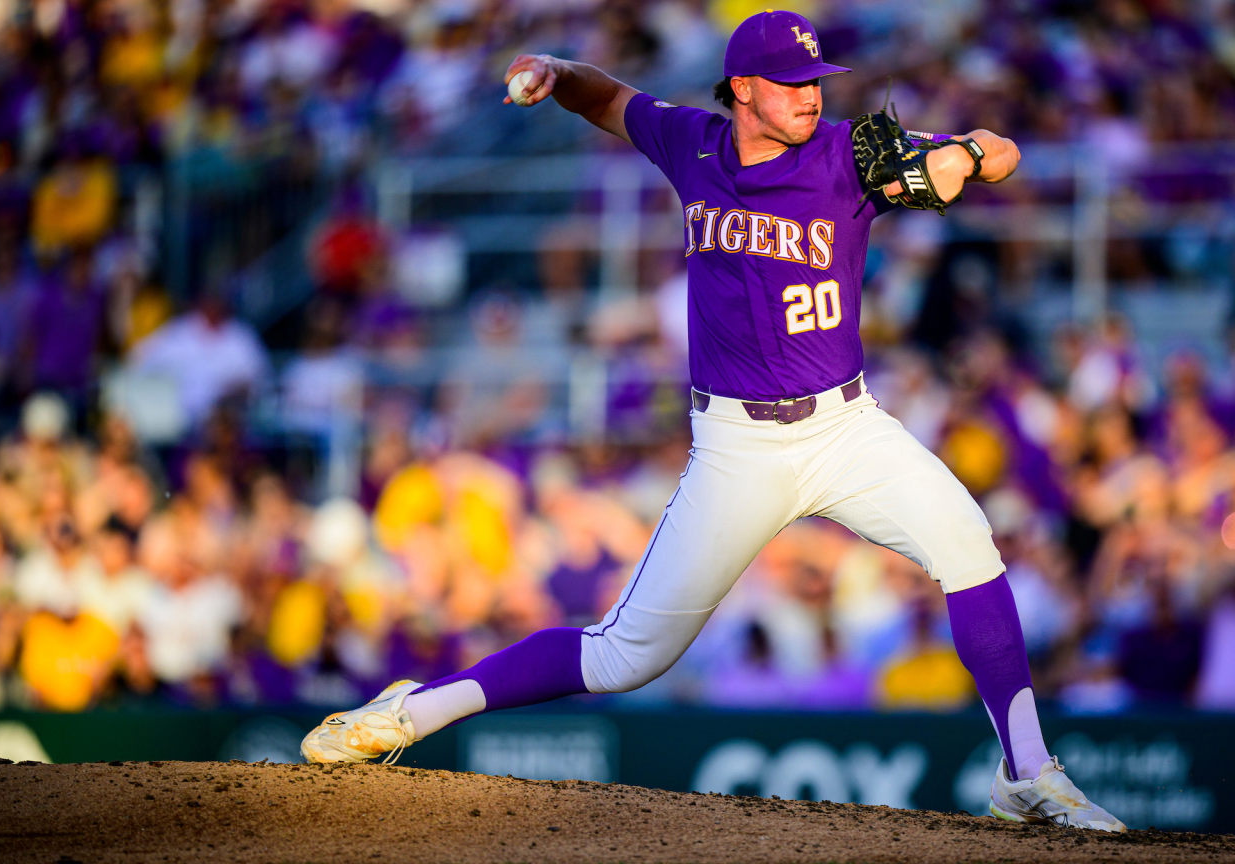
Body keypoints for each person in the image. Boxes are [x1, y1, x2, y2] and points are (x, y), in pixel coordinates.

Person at [301, 11, 1124, 832]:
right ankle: (414, 711)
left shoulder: (849, 153)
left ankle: (1026, 770)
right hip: (739, 448)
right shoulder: (691, 143)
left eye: (816, 81)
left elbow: (998, 152)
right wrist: (555, 67)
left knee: (968, 542)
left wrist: (968, 158)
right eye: (793, 83)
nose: (811, 96)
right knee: (625, 658)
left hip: (847, 428)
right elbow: (609, 98)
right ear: (741, 91)